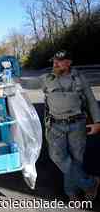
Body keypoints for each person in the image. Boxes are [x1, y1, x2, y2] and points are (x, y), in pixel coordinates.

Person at [38, 50, 100, 201]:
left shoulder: (79, 78)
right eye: (54, 61)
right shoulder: (46, 78)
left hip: (77, 124)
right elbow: (24, 82)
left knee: (76, 159)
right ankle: (90, 183)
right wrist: (8, 80)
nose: (55, 64)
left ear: (69, 62)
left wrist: (98, 121)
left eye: (60, 61)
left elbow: (91, 101)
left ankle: (71, 192)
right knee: (57, 157)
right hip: (55, 125)